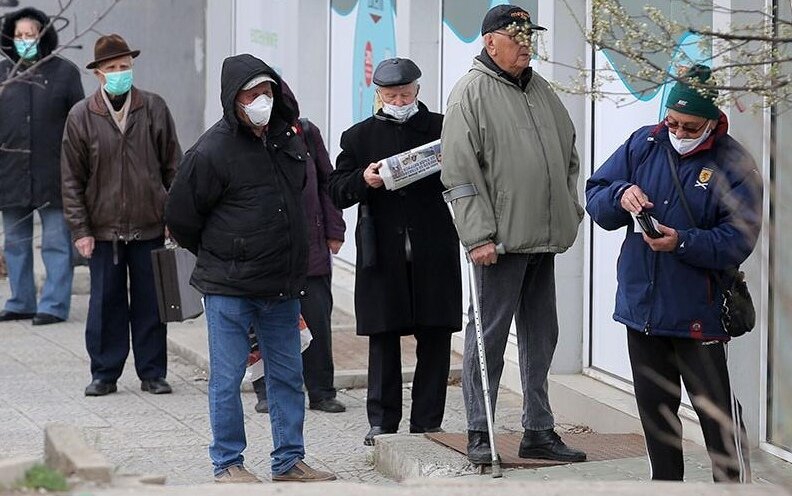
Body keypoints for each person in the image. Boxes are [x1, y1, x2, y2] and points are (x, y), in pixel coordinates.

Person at [165, 54, 336, 483]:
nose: (262, 101)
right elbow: (182, 218)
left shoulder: (287, 140)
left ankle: (289, 460)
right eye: (252, 94)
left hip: (281, 284)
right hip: (229, 285)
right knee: (227, 379)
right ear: (233, 99)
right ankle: (228, 463)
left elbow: (298, 197)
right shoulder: (211, 150)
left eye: (267, 92)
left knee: (287, 374)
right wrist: (226, 252)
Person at [585, 64, 761, 482]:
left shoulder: (734, 164)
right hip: (641, 310)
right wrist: (620, 194)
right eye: (672, 122)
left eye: (689, 126)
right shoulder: (644, 142)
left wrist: (682, 242)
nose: (678, 132)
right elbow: (596, 195)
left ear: (712, 122)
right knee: (657, 419)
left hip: (698, 312)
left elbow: (740, 239)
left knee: (718, 418)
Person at [440, 5, 586, 464]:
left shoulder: (541, 89)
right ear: (490, 42)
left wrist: (569, 210)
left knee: (542, 338)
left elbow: (568, 155)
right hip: (498, 244)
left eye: (530, 36)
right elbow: (459, 175)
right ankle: (479, 432)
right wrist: (478, 235)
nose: (527, 45)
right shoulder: (470, 93)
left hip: (543, 237)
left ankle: (538, 430)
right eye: (516, 36)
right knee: (488, 339)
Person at [329, 57, 462, 446]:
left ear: (417, 90)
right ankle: (382, 422)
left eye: (405, 94)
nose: (399, 102)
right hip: (382, 249)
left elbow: (470, 172)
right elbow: (336, 189)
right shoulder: (358, 136)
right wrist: (363, 180)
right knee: (384, 336)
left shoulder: (442, 128)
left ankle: (428, 421)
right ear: (379, 95)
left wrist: (451, 168)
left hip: (432, 245)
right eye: (391, 96)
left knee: (435, 333)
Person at [61, 34, 181, 397]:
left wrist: (174, 218)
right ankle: (104, 373)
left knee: (151, 302)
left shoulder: (154, 107)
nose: (119, 72)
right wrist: (80, 229)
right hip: (102, 230)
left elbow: (174, 167)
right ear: (98, 73)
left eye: (124, 66)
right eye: (111, 67)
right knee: (104, 304)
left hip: (149, 225)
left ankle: (153, 372)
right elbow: (71, 179)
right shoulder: (82, 115)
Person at [250, 83, 347, 415]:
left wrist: (334, 230)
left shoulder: (305, 132)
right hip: (265, 251)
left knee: (317, 319)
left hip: (310, 246)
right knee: (264, 321)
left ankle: (321, 391)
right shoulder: (245, 138)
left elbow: (327, 182)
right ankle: (266, 390)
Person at [0, 7, 84, 325]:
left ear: (43, 35)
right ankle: (21, 300)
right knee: (16, 243)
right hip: (10, 174)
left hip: (55, 174)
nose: (25, 40)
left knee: (56, 243)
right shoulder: (3, 75)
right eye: (19, 35)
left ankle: (54, 304)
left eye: (30, 34)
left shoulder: (65, 73)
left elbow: (79, 125)